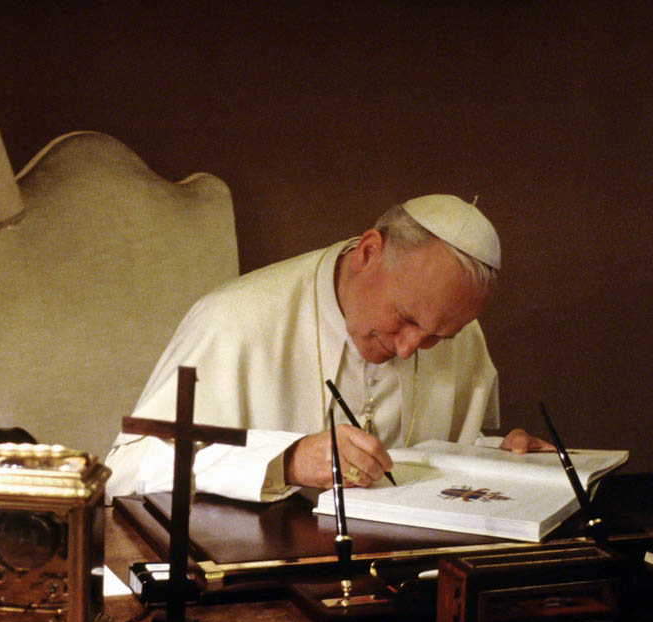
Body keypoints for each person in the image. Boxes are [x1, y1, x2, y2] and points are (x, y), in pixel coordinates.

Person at [106, 195, 549, 502]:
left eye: (437, 337)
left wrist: (499, 455)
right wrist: (288, 461)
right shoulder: (234, 318)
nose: (412, 348)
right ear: (369, 252)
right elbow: (126, 471)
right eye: (407, 319)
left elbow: (432, 455)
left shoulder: (460, 333)